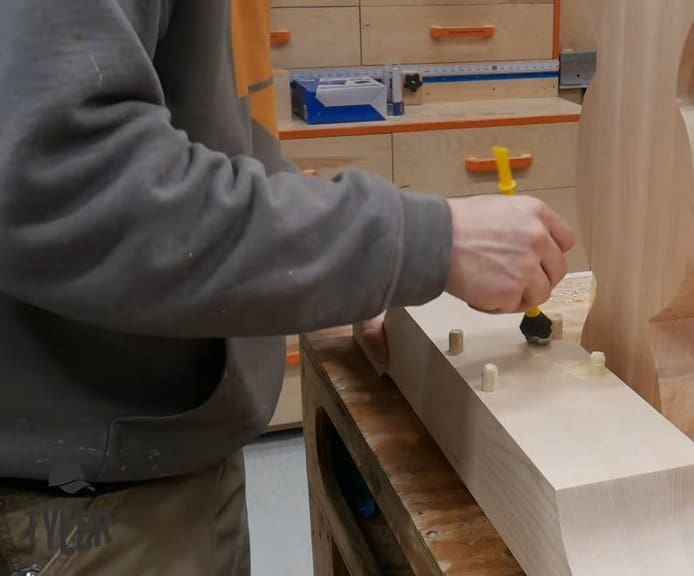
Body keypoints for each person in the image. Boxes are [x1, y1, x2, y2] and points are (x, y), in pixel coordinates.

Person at [0, 1, 576, 574]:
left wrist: (373, 272)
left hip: (162, 450)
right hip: (81, 496)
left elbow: (216, 144)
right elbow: (68, 183)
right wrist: (420, 241)